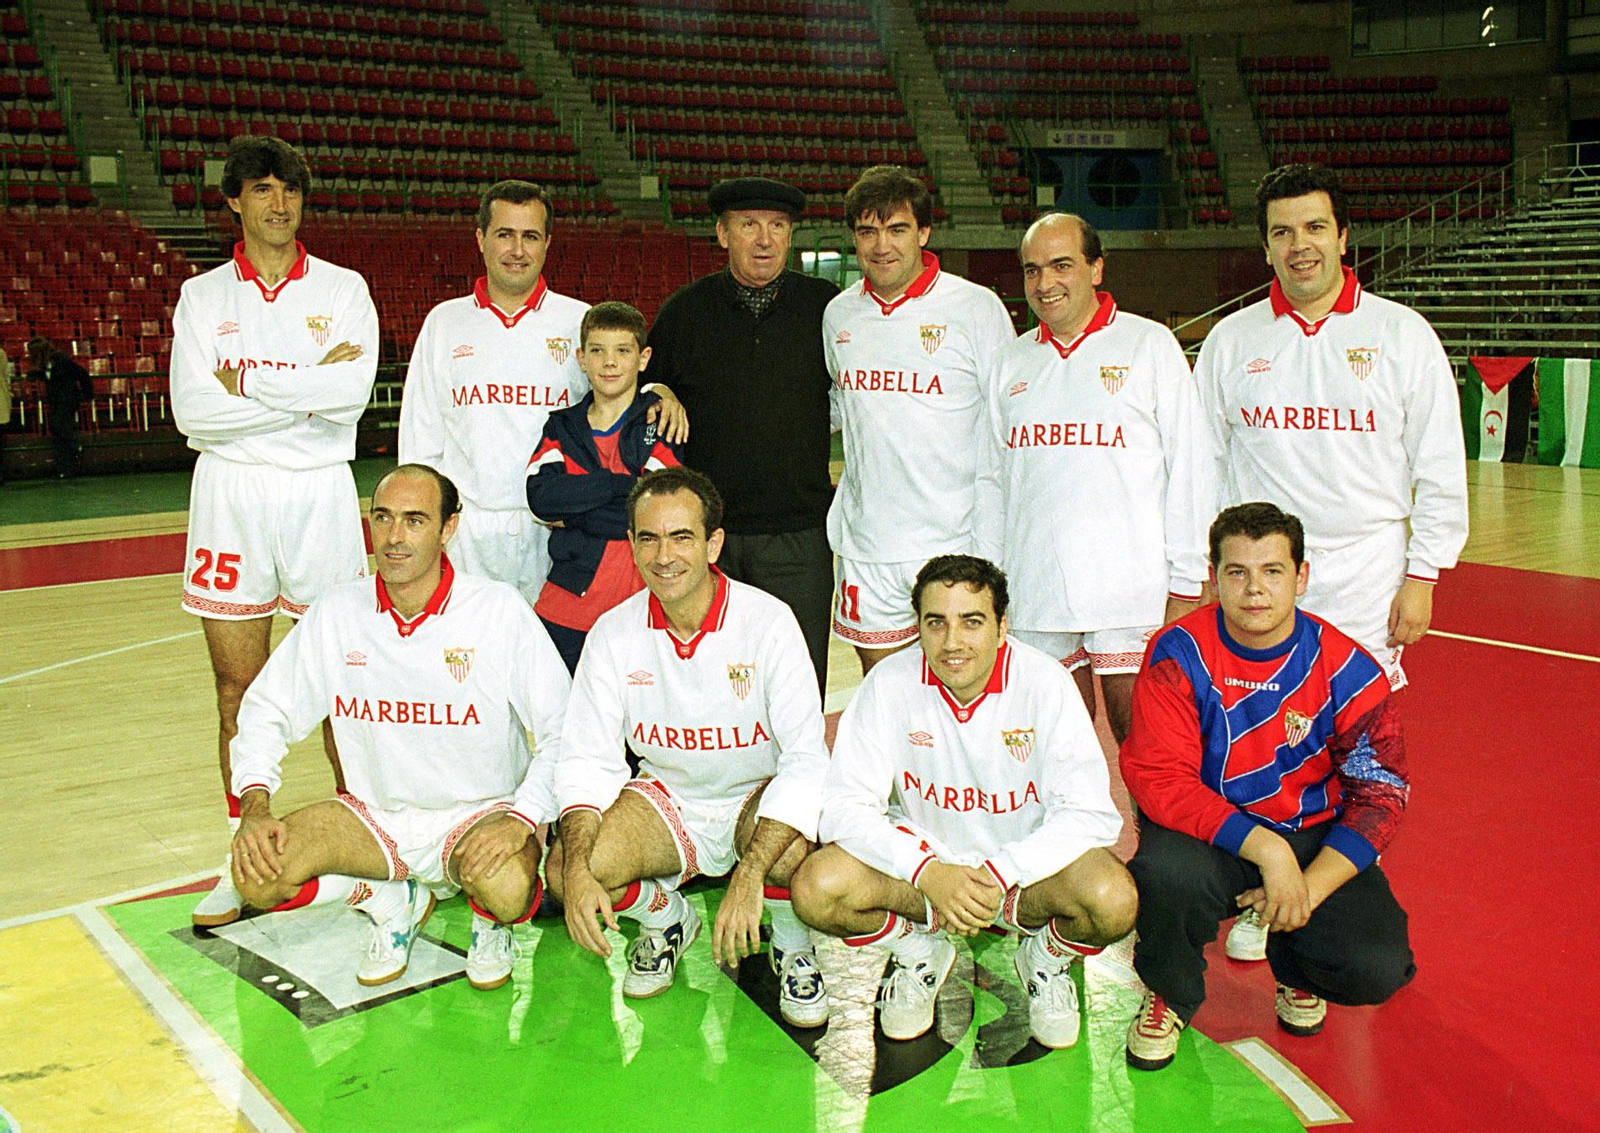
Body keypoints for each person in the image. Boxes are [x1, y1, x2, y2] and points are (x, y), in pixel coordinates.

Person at [1195, 163, 1464, 963]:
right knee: (1253, 745)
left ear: (1344, 236)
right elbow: (1204, 466)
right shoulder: (1234, 340)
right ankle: (1257, 891)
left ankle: (1316, 906)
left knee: (1350, 757)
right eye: (1282, 231)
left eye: (1315, 228)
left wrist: (1424, 573)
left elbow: (1439, 466)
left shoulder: (1399, 333)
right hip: (1258, 585)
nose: (1300, 246)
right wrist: (1205, 574)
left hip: (1364, 579)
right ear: (1265, 245)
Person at [228, 465, 571, 991]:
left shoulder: (496, 610)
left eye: (415, 521)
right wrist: (254, 804)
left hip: (478, 815)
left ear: (448, 528)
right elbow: (265, 711)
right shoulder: (338, 611)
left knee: (506, 890)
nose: (394, 537)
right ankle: (392, 901)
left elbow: (563, 732)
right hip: (375, 818)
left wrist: (522, 819)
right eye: (383, 518)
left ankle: (489, 921)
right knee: (256, 876)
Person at [790, 554, 1133, 1048]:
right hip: (928, 877)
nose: (952, 642)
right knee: (818, 887)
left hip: (1019, 876)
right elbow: (845, 806)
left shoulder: (1045, 684)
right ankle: (918, 953)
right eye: (937, 623)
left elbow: (1091, 815)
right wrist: (928, 872)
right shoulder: (888, 685)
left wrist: (998, 874)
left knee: (1113, 899)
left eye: (972, 622)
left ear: (1002, 626)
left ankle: (1045, 959)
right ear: (919, 627)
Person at [1119, 502, 1414, 1072]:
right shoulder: (1178, 654)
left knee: (1374, 965)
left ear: (1301, 577)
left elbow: (1382, 794)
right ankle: (1170, 992)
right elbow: (1159, 778)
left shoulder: (1349, 669)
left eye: (1273, 571)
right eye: (1237, 572)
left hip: (1309, 833)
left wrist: (1307, 883)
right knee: (1164, 873)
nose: (1255, 590)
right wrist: (1267, 850)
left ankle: (1297, 969)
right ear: (1214, 578)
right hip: (1210, 835)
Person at [170, 135, 378, 929]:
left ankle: (366, 852)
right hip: (230, 496)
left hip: (320, 494)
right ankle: (243, 854)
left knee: (342, 685)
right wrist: (304, 397)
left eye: (289, 189)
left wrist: (248, 384)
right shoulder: (202, 298)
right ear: (234, 201)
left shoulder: (344, 287)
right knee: (236, 689)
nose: (278, 203)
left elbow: (352, 393)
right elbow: (195, 412)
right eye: (261, 190)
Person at [548, 467, 832, 1027]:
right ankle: (665, 918)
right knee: (567, 867)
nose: (664, 556)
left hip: (756, 796)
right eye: (648, 538)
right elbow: (586, 759)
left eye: (681, 537)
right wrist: (578, 871)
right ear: (630, 544)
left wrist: (748, 875)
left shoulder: (768, 622)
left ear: (713, 543)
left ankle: (794, 942)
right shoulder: (613, 631)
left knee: (793, 852)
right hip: (669, 800)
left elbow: (805, 761)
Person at [976, 213, 1215, 743]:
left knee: (1146, 747)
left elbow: (1191, 468)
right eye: (1032, 270)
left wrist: (1187, 579)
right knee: (1054, 747)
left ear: (1096, 268)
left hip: (1132, 592)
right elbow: (990, 483)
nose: (1045, 284)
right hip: (1034, 593)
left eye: (1062, 265)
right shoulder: (1010, 361)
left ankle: (1156, 832)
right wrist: (988, 583)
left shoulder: (1148, 346)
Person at [399, 180, 686, 603]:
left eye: (530, 236)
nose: (517, 250)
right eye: (504, 235)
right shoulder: (445, 323)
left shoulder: (578, 320)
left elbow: (617, 390)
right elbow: (419, 440)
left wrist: (660, 389)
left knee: (554, 658)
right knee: (469, 655)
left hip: (565, 530)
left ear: (548, 243)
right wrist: (426, 521)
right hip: (469, 533)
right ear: (480, 239)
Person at [644, 177, 839, 695]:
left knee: (796, 683)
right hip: (708, 539)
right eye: (749, 225)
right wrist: (658, 387)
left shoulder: (828, 310)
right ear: (723, 233)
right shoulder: (684, 312)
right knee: (705, 680)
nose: (764, 239)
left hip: (798, 536)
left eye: (778, 227)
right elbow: (641, 390)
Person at [825, 165, 1015, 677]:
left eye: (896, 229)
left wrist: (993, 547)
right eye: (867, 231)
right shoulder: (839, 314)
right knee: (886, 697)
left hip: (954, 541)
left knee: (962, 692)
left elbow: (1005, 430)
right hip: (870, 547)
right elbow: (840, 410)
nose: (881, 245)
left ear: (924, 233)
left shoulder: (975, 308)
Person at [526, 301, 684, 673]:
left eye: (622, 351)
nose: (609, 362)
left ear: (643, 358)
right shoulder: (561, 427)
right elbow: (540, 500)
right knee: (566, 728)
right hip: (566, 607)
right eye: (597, 351)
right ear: (581, 358)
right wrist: (619, 485)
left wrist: (575, 513)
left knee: (638, 729)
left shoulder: (660, 423)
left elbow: (652, 516)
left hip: (642, 606)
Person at [31, 337, 94, 478]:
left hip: (68, 399)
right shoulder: (48, 363)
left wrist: (88, 395)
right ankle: (64, 468)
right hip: (57, 401)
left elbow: (82, 374)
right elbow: (51, 377)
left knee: (58, 426)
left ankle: (74, 446)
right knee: (58, 433)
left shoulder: (61, 360)